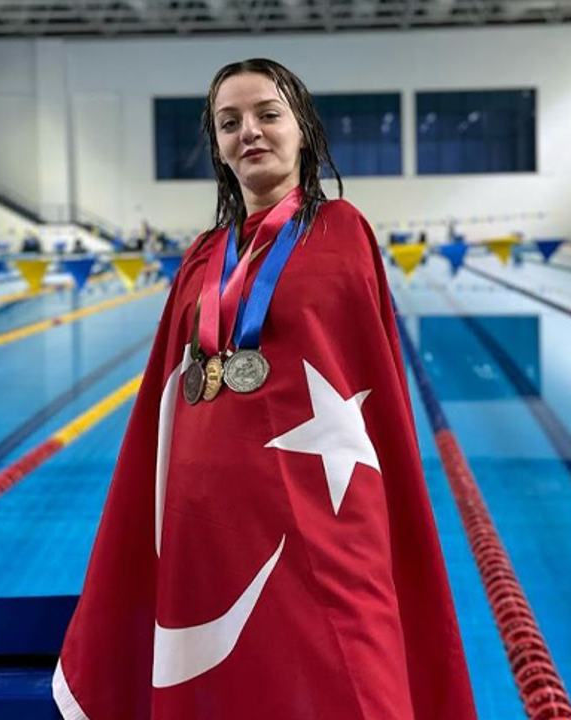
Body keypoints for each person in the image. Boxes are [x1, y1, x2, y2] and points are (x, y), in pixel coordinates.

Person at [54, 58, 476, 720]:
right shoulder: (201, 255)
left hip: (325, 516)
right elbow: (162, 401)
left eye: (267, 115)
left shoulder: (341, 231)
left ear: (302, 129)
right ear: (218, 148)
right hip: (210, 534)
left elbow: (370, 381)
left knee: (354, 682)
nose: (248, 131)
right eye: (229, 123)